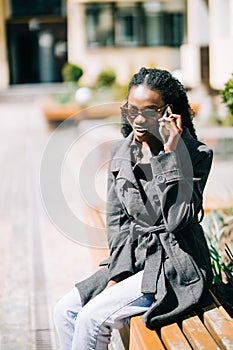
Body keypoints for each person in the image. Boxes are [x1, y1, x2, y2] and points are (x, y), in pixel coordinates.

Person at [53, 67, 213, 350]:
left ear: (168, 112)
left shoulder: (196, 155)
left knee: (92, 318)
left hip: (174, 265)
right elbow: (117, 224)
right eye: (132, 110)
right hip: (133, 259)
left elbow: (177, 220)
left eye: (149, 111)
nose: (138, 120)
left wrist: (170, 154)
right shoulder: (121, 153)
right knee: (64, 311)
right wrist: (117, 274)